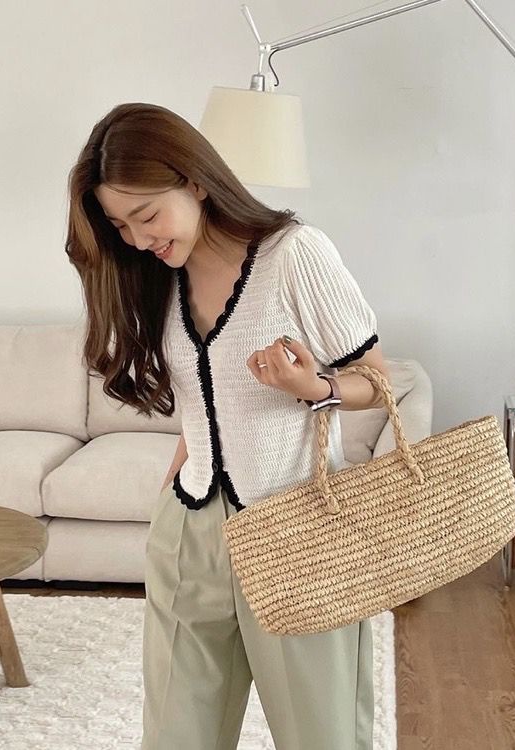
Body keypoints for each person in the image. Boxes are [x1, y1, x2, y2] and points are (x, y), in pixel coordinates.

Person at [64, 102, 391, 750]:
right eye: (120, 225)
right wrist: (171, 499)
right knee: (175, 735)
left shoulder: (294, 255)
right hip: (190, 527)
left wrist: (314, 388)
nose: (138, 240)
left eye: (147, 216)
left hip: (296, 529)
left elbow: (378, 384)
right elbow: (201, 403)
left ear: (194, 181)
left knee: (321, 735)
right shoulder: (158, 278)